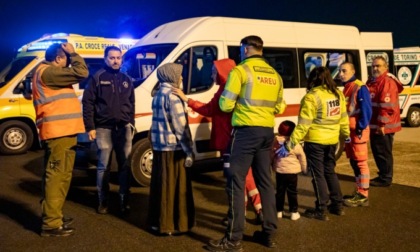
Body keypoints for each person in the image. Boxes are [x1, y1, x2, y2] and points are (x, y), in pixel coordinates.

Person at [207, 35, 286, 251]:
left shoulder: (240, 71)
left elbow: (224, 105)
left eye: (241, 49)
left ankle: (233, 239)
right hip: (266, 133)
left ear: (246, 49)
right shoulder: (275, 74)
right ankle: (269, 233)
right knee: (265, 182)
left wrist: (237, 104)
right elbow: (279, 107)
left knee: (236, 180)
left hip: (245, 133)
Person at [172, 59, 263, 225]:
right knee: (246, 174)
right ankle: (258, 209)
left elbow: (209, 109)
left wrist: (187, 100)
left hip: (228, 140)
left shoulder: (225, 89)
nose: (211, 74)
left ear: (222, 72)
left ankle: (238, 214)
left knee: (236, 178)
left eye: (214, 71)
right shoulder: (239, 87)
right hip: (241, 137)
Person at [32, 42, 88, 237]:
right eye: (65, 60)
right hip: (59, 133)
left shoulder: (43, 71)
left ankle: (54, 214)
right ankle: (51, 223)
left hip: (59, 133)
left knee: (56, 176)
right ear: (58, 58)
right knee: (58, 177)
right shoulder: (49, 72)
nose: (67, 64)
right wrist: (74, 54)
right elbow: (82, 72)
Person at [289, 66, 350, 221]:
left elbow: (303, 124)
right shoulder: (338, 95)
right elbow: (343, 118)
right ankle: (337, 205)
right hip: (332, 140)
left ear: (313, 79)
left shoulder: (311, 97)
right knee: (330, 171)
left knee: (318, 174)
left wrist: (292, 142)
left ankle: (321, 208)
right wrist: (346, 134)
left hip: (315, 140)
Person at [82, 46, 135, 215]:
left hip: (124, 129)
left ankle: (124, 199)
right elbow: (88, 102)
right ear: (105, 59)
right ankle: (102, 201)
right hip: (103, 128)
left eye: (118, 57)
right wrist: (90, 126)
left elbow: (132, 103)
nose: (115, 60)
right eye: (112, 58)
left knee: (124, 166)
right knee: (103, 166)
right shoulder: (98, 78)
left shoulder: (126, 79)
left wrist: (131, 123)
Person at [148, 63, 195, 235]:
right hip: (174, 149)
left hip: (160, 147)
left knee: (162, 185)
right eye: (179, 75)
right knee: (177, 187)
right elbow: (180, 126)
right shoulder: (174, 96)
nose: (181, 78)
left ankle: (159, 222)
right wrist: (189, 150)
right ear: (171, 76)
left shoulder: (158, 94)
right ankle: (175, 224)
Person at [338, 62, 372, 207]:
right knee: (353, 162)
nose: (341, 74)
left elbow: (366, 110)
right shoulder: (347, 87)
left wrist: (360, 127)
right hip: (350, 131)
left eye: (344, 71)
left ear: (353, 71)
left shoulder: (360, 86)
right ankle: (358, 190)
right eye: (339, 71)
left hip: (357, 131)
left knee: (360, 162)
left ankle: (363, 194)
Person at [366, 56, 403, 187]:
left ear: (385, 67)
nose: (375, 68)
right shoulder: (373, 81)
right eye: (373, 66)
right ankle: (383, 174)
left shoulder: (387, 83)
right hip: (375, 124)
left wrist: (382, 124)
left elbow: (387, 107)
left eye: (378, 66)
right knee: (378, 151)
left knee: (383, 152)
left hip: (383, 126)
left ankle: (385, 178)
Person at [272, 120, 307, 221]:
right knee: (292, 192)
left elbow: (271, 155)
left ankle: (279, 211)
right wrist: (304, 169)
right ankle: (293, 212)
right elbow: (302, 157)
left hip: (280, 172)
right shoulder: (295, 144)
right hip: (292, 173)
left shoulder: (275, 143)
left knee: (280, 191)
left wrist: (270, 166)